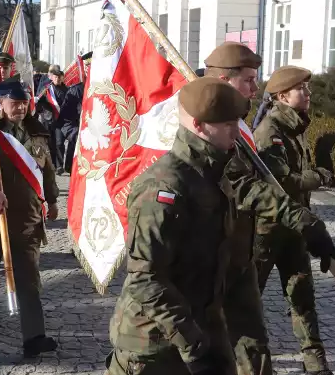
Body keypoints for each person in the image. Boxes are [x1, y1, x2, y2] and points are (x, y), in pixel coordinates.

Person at [202, 43, 335, 375]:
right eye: (249, 80)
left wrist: (306, 223)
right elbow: (275, 183)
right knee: (243, 307)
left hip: (281, 225)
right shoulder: (260, 131)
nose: (255, 89)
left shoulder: (275, 127)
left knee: (296, 294)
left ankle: (313, 360)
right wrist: (316, 180)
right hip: (259, 232)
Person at [107, 78, 250, 375]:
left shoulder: (215, 171)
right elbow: (146, 279)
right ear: (198, 125)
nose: (237, 132)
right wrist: (194, 347)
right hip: (154, 344)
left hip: (203, 326)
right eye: (227, 124)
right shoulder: (165, 188)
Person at [254, 65, 335, 375]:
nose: (308, 94)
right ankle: (253, 366)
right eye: (301, 89)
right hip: (267, 230)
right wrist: (319, 176)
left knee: (303, 295)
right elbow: (282, 183)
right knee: (250, 301)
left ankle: (315, 364)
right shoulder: (270, 130)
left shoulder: (295, 126)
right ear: (282, 96)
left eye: (308, 88)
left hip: (295, 227)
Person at [0, 78, 59, 357]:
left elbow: (47, 169)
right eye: (14, 103)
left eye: (24, 103)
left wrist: (52, 200)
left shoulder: (36, 132)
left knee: (29, 276)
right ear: (1, 103)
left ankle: (34, 336)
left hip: (28, 216)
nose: (20, 108)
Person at [35, 67, 68, 174]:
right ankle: (53, 163)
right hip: (48, 119)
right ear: (52, 77)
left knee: (59, 143)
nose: (57, 79)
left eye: (59, 77)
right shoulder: (46, 88)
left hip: (60, 120)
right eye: (55, 77)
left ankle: (59, 165)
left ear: (62, 78)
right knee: (50, 143)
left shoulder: (66, 89)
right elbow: (39, 101)